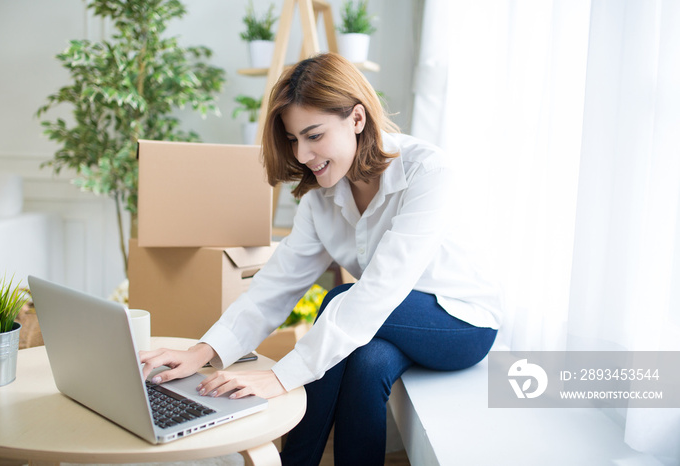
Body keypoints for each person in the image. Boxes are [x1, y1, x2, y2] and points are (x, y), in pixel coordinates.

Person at [140, 52, 503, 466]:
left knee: (338, 299)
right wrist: (202, 351)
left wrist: (280, 377)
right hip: (390, 319)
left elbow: (380, 290)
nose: (302, 154)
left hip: (461, 322)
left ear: (357, 119)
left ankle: (294, 463)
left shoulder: (427, 171)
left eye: (314, 135)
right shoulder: (320, 197)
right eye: (294, 139)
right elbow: (276, 286)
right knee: (368, 363)